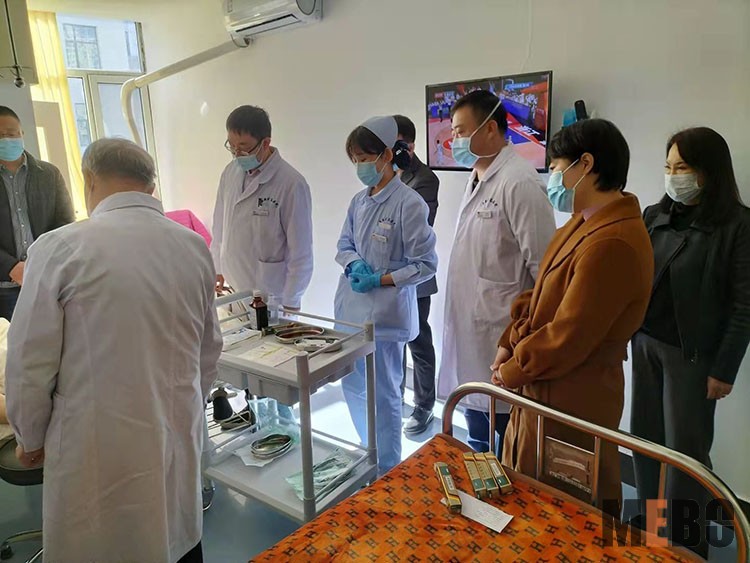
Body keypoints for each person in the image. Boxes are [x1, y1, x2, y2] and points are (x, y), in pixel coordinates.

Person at [6, 138, 223, 563]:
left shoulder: (60, 248)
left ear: (89, 180)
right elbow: (209, 350)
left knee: (105, 542)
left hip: (96, 445)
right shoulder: (192, 246)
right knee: (173, 539)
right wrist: (185, 407)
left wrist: (29, 437)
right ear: (150, 185)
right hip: (174, 429)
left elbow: (29, 361)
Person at [492, 119, 653, 516]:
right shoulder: (583, 222)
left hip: (574, 393)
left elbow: (570, 334)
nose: (552, 178)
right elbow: (539, 297)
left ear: (586, 165)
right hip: (545, 384)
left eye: (556, 167)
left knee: (564, 507)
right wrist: (508, 343)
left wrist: (513, 369)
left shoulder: (613, 241)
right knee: (529, 492)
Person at [631, 127, 750, 557]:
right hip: (646, 344)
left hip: (693, 356)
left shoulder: (738, 225)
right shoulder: (654, 215)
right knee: (644, 440)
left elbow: (744, 305)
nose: (672, 176)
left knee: (686, 453)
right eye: (668, 166)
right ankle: (652, 528)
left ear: (708, 171)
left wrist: (724, 370)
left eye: (681, 167)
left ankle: (684, 543)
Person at [436, 90, 555, 454]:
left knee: (503, 444)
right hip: (474, 333)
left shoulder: (520, 182)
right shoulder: (477, 177)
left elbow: (545, 273)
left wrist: (523, 342)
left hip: (501, 340)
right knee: (478, 435)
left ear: (490, 129)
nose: (454, 140)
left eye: (460, 132)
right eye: (453, 132)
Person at [335, 116, 437, 474]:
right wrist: (353, 265)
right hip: (352, 313)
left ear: (387, 155)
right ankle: (368, 456)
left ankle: (388, 471)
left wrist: (384, 279)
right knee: (353, 386)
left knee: (385, 396)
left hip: (385, 318)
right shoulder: (358, 202)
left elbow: (426, 264)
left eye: (366, 158)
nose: (361, 166)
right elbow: (343, 244)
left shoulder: (409, 203)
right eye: (356, 160)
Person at [211, 105, 313, 309]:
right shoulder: (230, 172)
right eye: (232, 146)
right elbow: (219, 225)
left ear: (265, 143)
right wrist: (217, 267)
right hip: (234, 291)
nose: (237, 154)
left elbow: (301, 251)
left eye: (243, 147)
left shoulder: (291, 183)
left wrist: (291, 302)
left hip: (272, 297)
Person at [0, 106, 74, 321]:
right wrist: (11, 267)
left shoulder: (49, 174)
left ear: (22, 133)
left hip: (45, 281)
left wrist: (43, 262)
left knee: (51, 337)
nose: (6, 139)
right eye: (0, 135)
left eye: (11, 133)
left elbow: (65, 224)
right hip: (3, 288)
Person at [393, 115, 440, 435]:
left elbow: (412, 229)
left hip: (416, 277)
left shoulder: (425, 178)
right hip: (385, 278)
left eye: (395, 144)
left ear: (409, 144)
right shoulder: (382, 174)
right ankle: (394, 396)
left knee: (418, 341)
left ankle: (424, 405)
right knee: (392, 341)